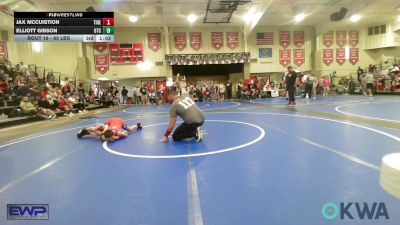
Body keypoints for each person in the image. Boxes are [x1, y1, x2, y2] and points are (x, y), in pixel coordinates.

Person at [77, 117, 143, 141]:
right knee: (98, 131)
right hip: (111, 120)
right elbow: (101, 125)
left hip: (120, 121)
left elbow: (126, 135)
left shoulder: (118, 133)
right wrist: (94, 129)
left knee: (130, 129)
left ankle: (137, 125)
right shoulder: (106, 128)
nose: (108, 140)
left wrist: (117, 137)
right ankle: (86, 130)